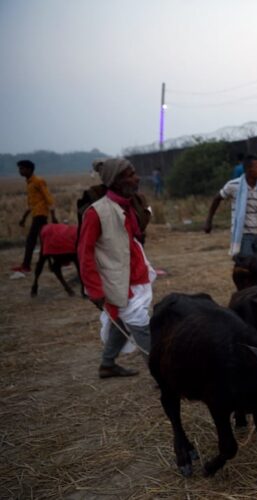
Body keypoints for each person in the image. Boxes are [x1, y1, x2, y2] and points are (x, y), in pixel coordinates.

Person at [78, 159, 154, 378]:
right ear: (116, 181)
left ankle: (107, 364)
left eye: (134, 173)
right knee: (139, 322)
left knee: (122, 319)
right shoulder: (96, 213)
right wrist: (94, 290)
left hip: (135, 274)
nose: (136, 177)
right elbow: (85, 255)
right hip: (116, 281)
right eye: (130, 174)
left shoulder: (131, 205)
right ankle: (161, 373)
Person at [205, 154, 257, 257]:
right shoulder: (233, 185)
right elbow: (217, 199)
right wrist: (209, 220)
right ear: (248, 169)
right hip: (243, 234)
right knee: (246, 265)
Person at [12, 160, 57, 274]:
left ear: (29, 169)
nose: (20, 171)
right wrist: (24, 218)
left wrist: (53, 215)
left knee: (31, 240)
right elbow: (32, 204)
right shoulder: (29, 183)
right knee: (45, 240)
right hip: (36, 214)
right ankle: (55, 263)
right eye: (19, 169)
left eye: (22, 168)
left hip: (41, 215)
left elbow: (48, 198)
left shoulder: (38, 181)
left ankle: (26, 266)